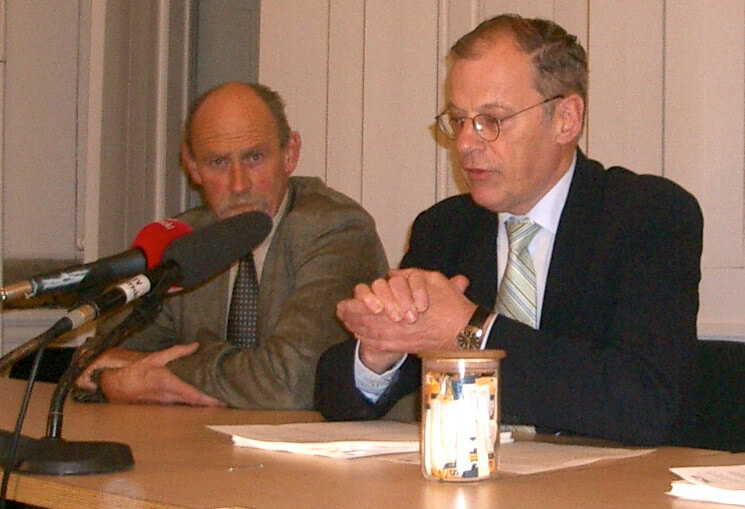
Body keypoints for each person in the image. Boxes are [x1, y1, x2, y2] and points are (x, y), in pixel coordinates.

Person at [314, 14, 703, 446]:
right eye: (459, 120)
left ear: (566, 120)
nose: (464, 143)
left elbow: (642, 403)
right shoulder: (444, 229)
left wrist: (472, 331)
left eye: (491, 120)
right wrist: (377, 353)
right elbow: (335, 396)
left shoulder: (646, 215)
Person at [74, 82, 388, 409]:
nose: (238, 185)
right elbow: (96, 359)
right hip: (204, 446)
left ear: (290, 153)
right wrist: (110, 380)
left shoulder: (336, 229)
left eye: (254, 157)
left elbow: (291, 384)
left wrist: (159, 371)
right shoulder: (184, 241)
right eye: (218, 163)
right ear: (192, 166)